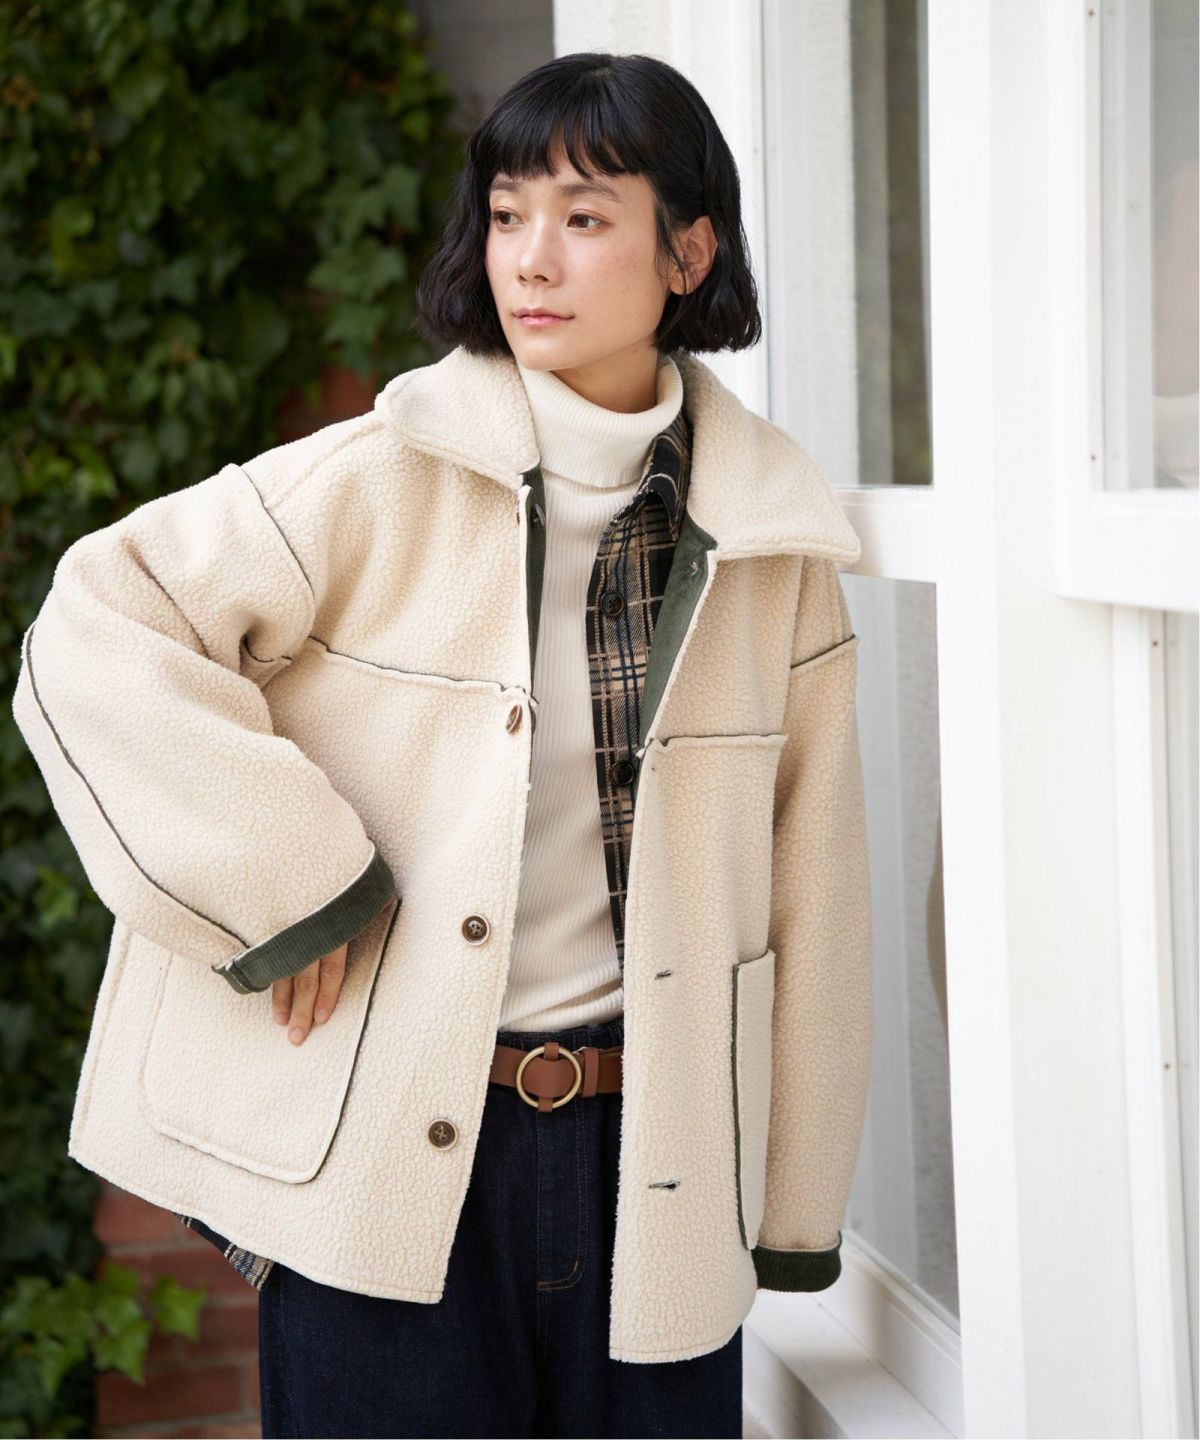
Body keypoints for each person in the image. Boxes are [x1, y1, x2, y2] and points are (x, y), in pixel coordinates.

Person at [12, 50, 872, 1440]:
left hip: (652, 1163)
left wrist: (790, 1205)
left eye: (585, 217)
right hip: (391, 1149)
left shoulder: (774, 540)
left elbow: (814, 888)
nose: (531, 257)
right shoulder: (375, 476)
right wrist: (292, 881)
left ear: (689, 251)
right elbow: (99, 623)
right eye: (509, 213)